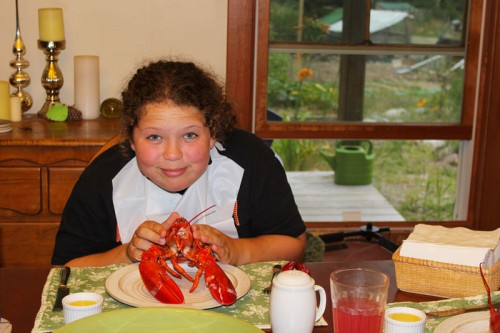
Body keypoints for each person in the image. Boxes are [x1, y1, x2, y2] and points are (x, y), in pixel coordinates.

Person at [51, 59, 307, 267]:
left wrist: (237, 250)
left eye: (190, 135)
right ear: (131, 139)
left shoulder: (251, 160)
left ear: (213, 133)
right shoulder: (103, 178)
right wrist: (126, 254)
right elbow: (65, 269)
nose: (172, 154)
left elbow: (294, 244)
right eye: (154, 137)